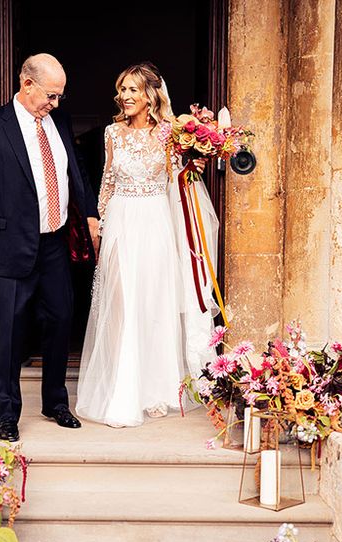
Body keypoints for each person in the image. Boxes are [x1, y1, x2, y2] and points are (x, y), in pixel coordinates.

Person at [0, 53, 99, 442]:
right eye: (51, 95)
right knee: (11, 333)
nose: (55, 104)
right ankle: (7, 414)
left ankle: (55, 402)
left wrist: (89, 213)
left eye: (59, 97)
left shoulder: (61, 122)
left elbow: (77, 172)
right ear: (27, 84)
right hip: (9, 244)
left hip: (54, 241)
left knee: (60, 321)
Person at [76, 62, 218, 428]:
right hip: (121, 220)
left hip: (156, 222)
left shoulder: (170, 134)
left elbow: (177, 183)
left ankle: (156, 391)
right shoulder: (111, 133)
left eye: (133, 90)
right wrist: (99, 224)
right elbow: (107, 180)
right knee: (122, 305)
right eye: (122, 89)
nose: (125, 97)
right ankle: (125, 390)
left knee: (154, 304)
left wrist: (193, 169)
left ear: (150, 95)